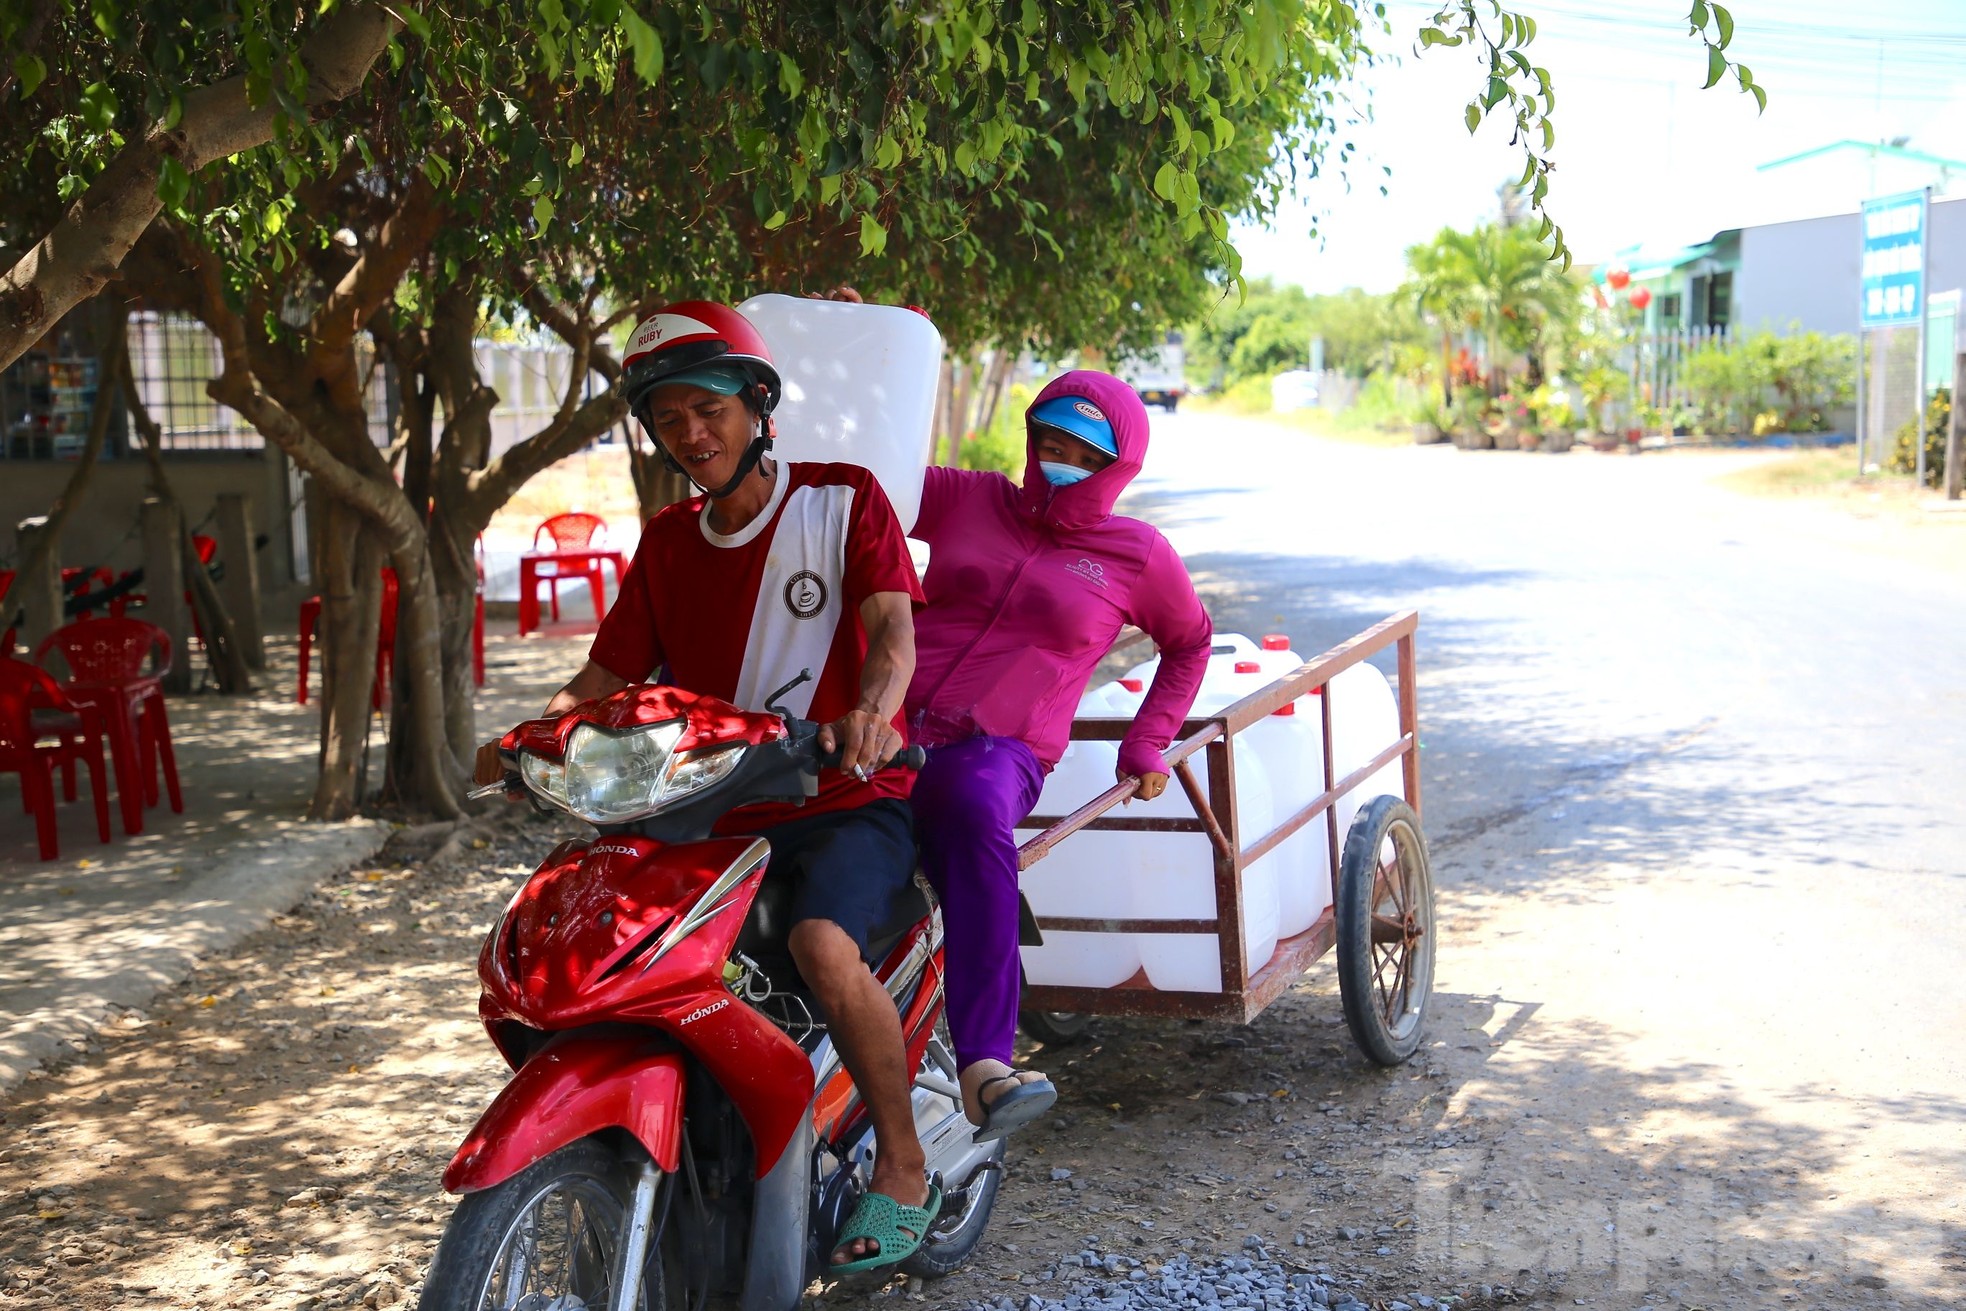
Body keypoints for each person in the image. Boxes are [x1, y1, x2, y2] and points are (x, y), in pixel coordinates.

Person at [472, 300, 936, 1273]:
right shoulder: (669, 543)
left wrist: (874, 713)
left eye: (710, 409)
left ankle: (901, 1165)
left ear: (758, 406)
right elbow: (601, 682)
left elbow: (892, 631)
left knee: (817, 941)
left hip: (841, 799)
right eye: (670, 417)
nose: (691, 433)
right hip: (705, 811)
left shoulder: (839, 499)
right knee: (606, 936)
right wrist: (526, 739)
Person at [905, 369, 1211, 1140]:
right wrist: (873, 345)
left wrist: (1146, 740)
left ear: (1119, 463)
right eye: (1049, 439)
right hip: (890, 720)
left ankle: (984, 1061)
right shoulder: (964, 496)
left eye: (1083, 448)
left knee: (970, 811)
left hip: (998, 750)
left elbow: (1189, 642)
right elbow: (866, 474)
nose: (1059, 455)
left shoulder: (1137, 554)